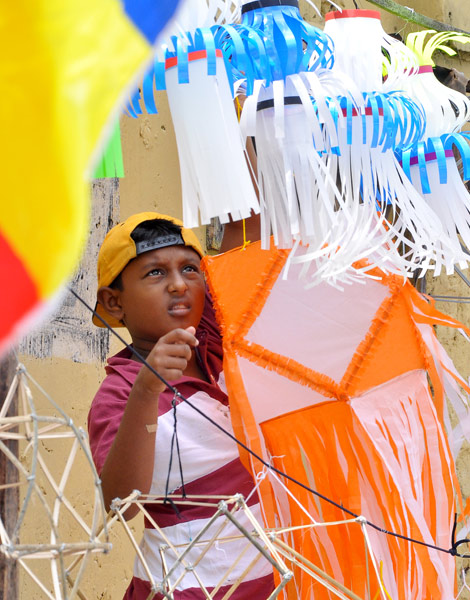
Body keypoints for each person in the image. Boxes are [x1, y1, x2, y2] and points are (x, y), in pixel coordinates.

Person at [87, 211, 273, 599]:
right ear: (114, 302)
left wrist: (248, 151)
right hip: (182, 590)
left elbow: (247, 226)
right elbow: (121, 503)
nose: (178, 285)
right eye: (155, 273)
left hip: (273, 584)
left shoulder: (216, 340)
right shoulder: (120, 391)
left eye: (191, 269)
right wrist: (146, 390)